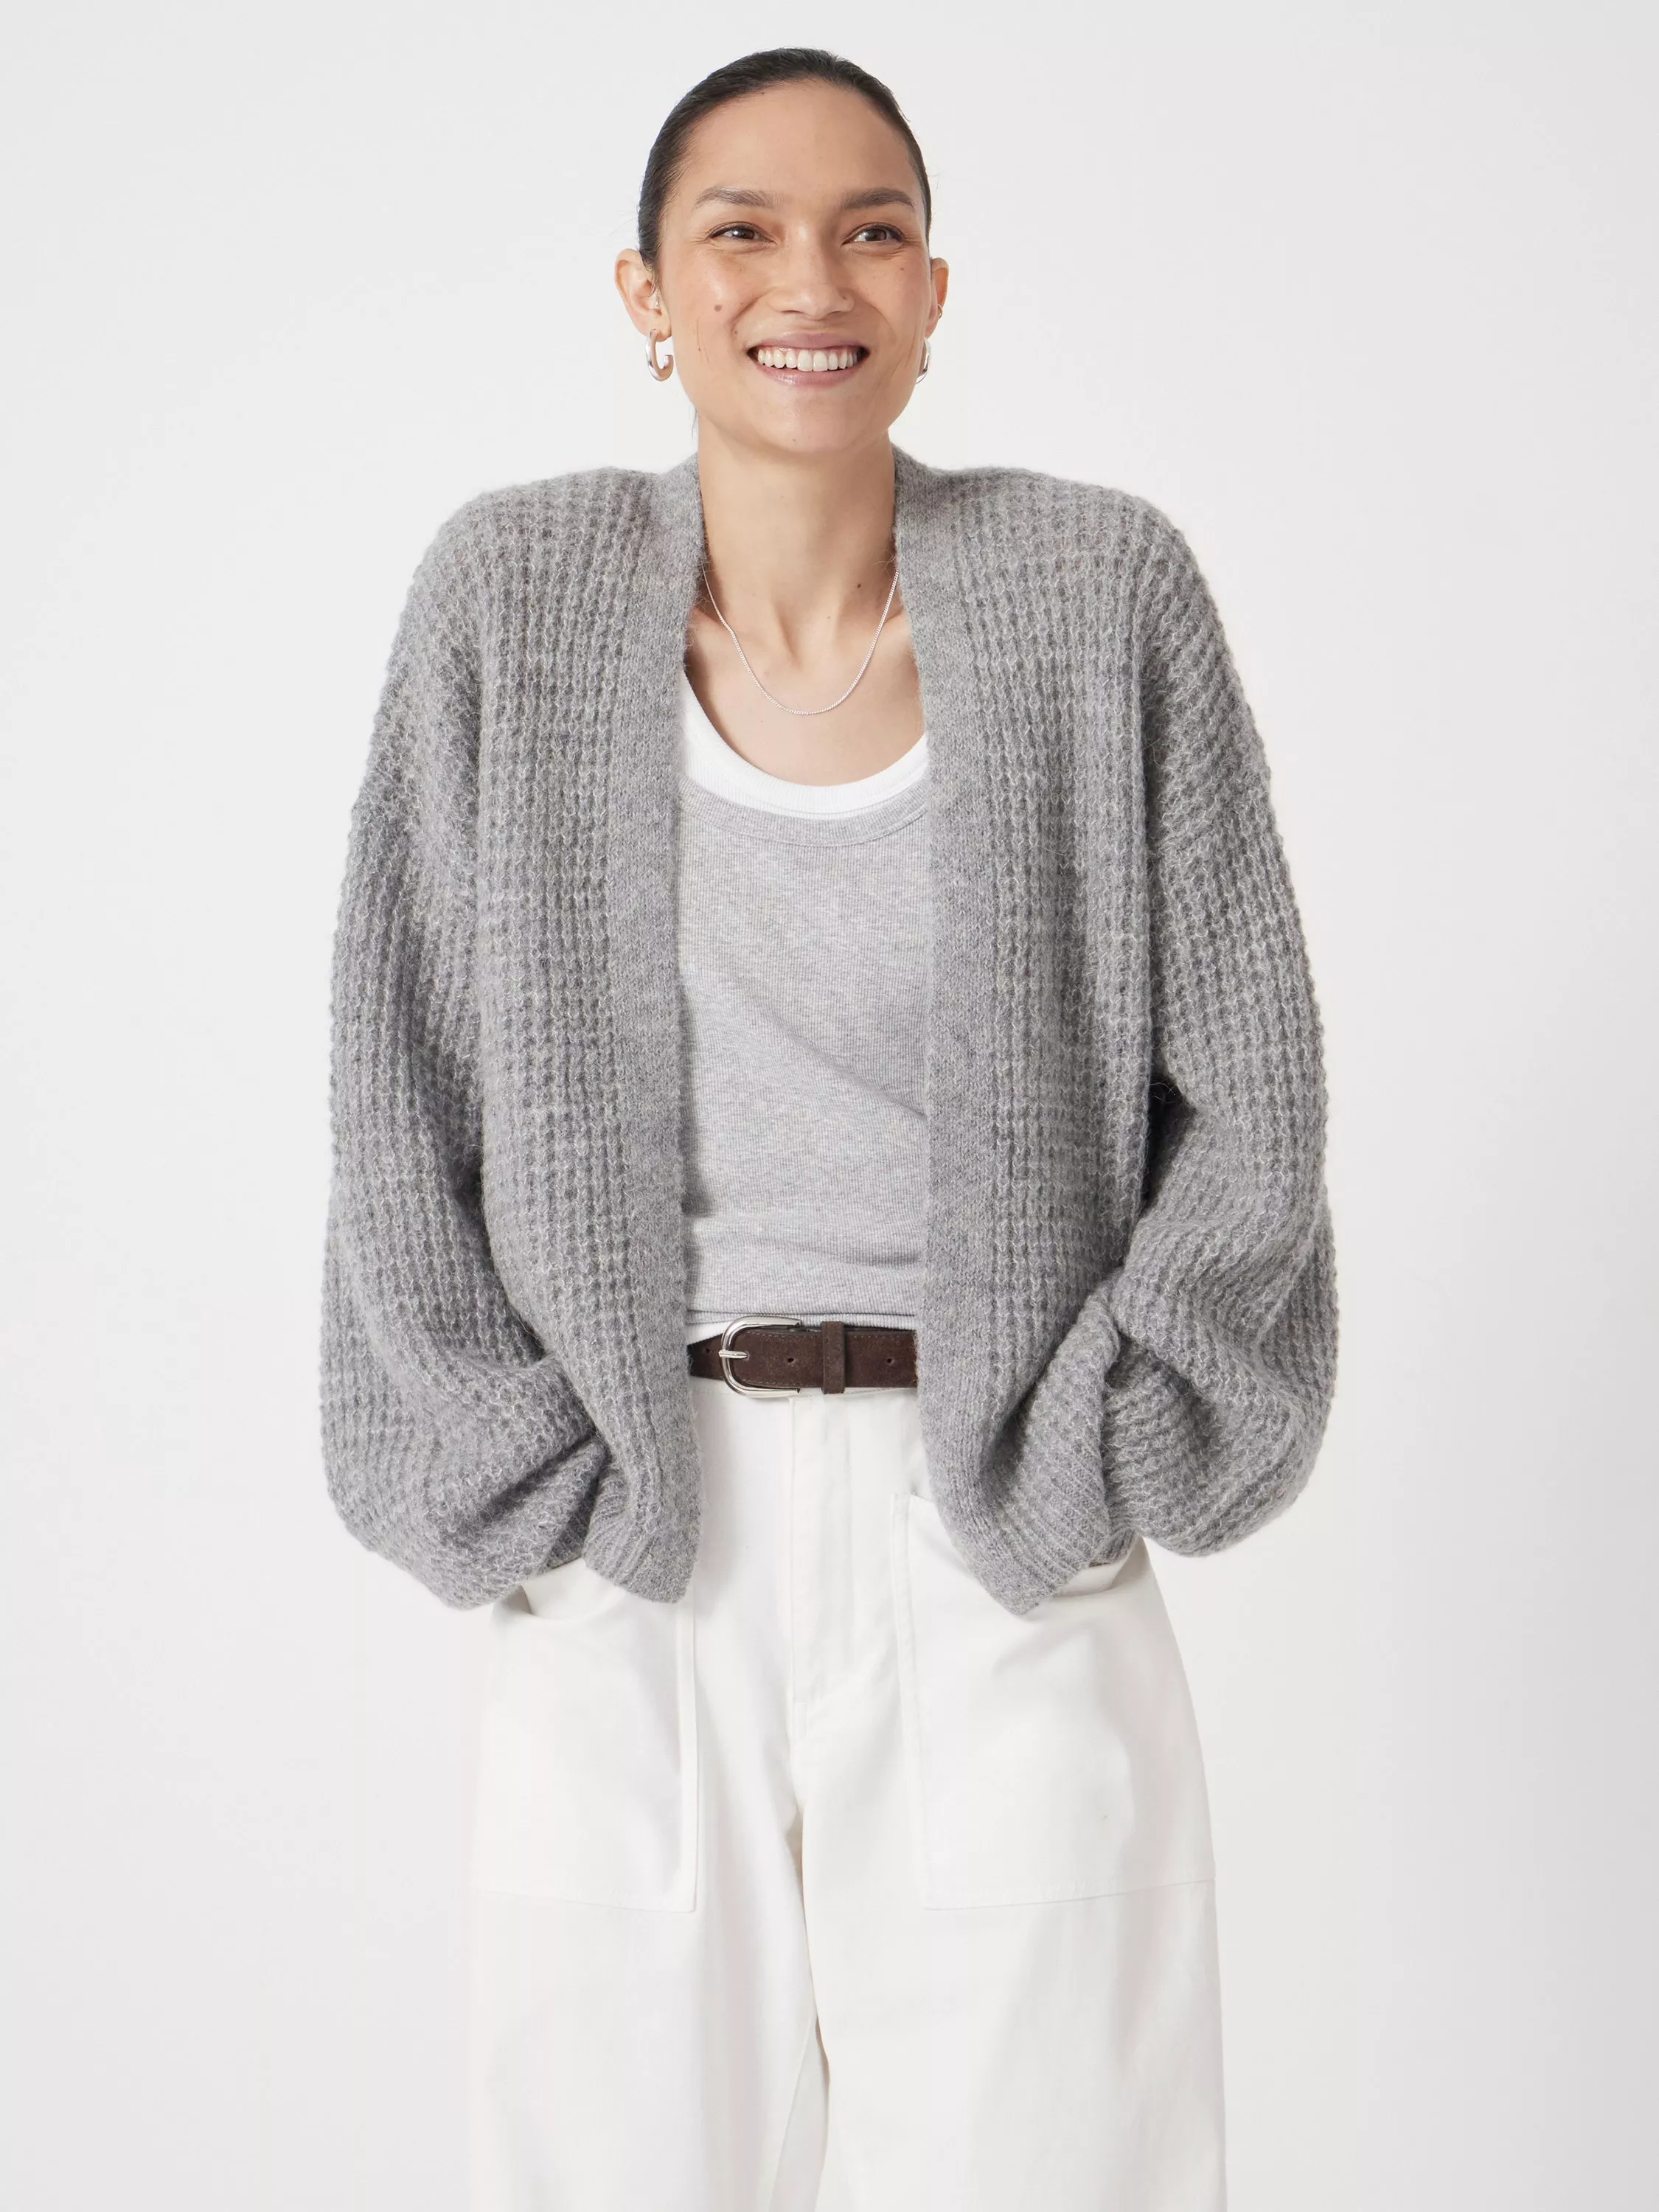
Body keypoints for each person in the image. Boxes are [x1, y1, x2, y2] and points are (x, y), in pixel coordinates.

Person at [319, 44, 1338, 2212]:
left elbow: (1253, 1087)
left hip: (1003, 1534)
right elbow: (395, 1078)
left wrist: (1092, 1452)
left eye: (874, 229)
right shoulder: (509, 599)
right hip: (637, 1544)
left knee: (1064, 2169)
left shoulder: (1101, 595)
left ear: (936, 288)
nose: (813, 281)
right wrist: (534, 1478)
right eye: (743, 231)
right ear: (648, 293)